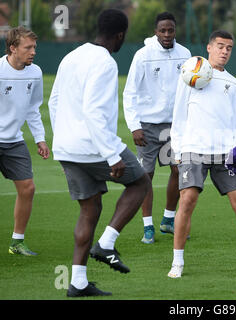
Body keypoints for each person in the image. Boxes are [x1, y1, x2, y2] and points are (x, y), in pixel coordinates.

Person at [48, 9, 151, 297]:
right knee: (140, 182)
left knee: (90, 208)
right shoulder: (105, 63)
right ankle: (106, 243)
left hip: (68, 148)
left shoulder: (72, 55)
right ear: (120, 35)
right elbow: (95, 113)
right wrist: (112, 155)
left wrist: (63, 142)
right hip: (93, 148)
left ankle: (77, 282)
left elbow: (54, 101)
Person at [167, 30, 236, 278]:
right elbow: (178, 116)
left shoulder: (235, 85)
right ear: (209, 48)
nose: (224, 51)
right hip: (193, 149)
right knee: (187, 199)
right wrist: (177, 148)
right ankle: (177, 262)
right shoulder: (190, 76)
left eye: (229, 48)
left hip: (226, 153)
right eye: (220, 46)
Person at [123, 12, 191, 244]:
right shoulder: (142, 56)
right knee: (145, 177)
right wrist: (134, 126)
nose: (166, 34)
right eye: (162, 30)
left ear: (175, 30)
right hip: (148, 126)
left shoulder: (185, 54)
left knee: (177, 171)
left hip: (175, 126)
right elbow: (129, 92)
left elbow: (189, 89)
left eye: (170, 30)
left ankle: (168, 220)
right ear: (155, 31)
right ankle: (148, 226)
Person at [0, 26, 50, 256]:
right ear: (13, 48)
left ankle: (17, 242)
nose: (33, 52)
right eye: (27, 48)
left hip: (14, 141)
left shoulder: (35, 72)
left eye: (35, 48)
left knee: (28, 188)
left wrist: (40, 139)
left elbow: (32, 108)